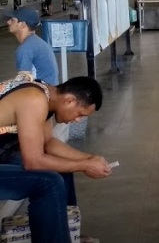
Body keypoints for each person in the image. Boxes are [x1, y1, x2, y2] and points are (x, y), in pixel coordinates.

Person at [0, 74, 110, 243]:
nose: (78, 120)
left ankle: (67, 232)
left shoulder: (44, 94)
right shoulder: (34, 100)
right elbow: (33, 162)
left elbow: (48, 143)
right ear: (69, 100)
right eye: (80, 114)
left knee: (61, 170)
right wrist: (83, 165)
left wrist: (89, 158)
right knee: (49, 182)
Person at [6, 9, 59, 86]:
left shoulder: (25, 48)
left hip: (43, 92)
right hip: (50, 88)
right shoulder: (35, 42)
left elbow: (24, 78)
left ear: (22, 25)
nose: (8, 22)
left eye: (12, 20)